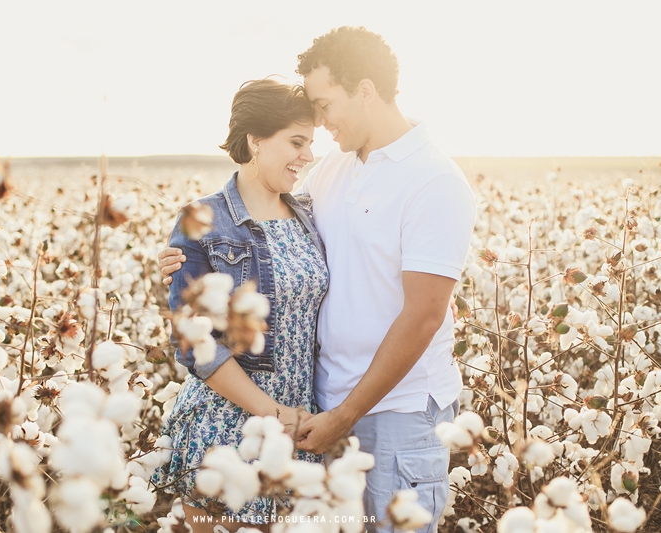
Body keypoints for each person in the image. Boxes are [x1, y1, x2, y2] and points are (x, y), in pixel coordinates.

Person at [160, 27, 477, 533]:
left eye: (325, 106)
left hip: (388, 412)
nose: (320, 128)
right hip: (307, 417)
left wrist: (343, 414)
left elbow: (424, 312)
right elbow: (244, 249)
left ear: (366, 91)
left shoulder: (434, 179)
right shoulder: (331, 172)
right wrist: (185, 260)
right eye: (303, 131)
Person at [151, 79, 328, 533]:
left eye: (310, 143)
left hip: (302, 426)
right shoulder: (202, 220)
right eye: (296, 141)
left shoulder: (313, 212)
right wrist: (273, 415)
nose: (307, 155)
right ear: (255, 140)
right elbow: (195, 344)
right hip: (227, 424)